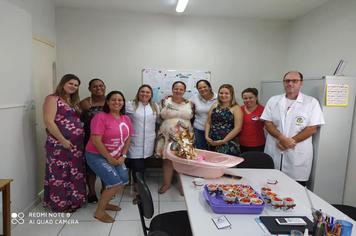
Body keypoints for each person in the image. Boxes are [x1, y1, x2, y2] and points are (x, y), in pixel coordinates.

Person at [261, 71, 325, 186]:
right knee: (270, 187)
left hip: (297, 154)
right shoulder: (274, 100)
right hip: (275, 149)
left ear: (301, 83)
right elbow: (268, 123)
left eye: (294, 81)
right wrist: (282, 138)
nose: (290, 83)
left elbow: (312, 128)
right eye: (287, 81)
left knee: (295, 190)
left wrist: (289, 142)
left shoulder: (311, 102)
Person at [85, 91, 133, 223]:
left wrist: (123, 155)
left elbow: (128, 138)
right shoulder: (100, 117)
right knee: (114, 183)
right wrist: (109, 159)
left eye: (120, 100)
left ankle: (105, 203)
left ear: (123, 102)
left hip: (117, 156)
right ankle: (99, 212)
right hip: (96, 155)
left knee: (123, 180)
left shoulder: (126, 118)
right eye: (113, 100)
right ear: (107, 102)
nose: (117, 102)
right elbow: (96, 141)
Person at [43, 74, 86, 212]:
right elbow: (49, 121)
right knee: (59, 174)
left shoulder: (72, 101)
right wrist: (62, 140)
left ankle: (74, 201)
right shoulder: (52, 99)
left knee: (74, 173)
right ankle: (61, 204)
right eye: (71, 83)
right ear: (62, 84)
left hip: (76, 146)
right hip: (59, 145)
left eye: (76, 85)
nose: (73, 86)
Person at [155, 81, 194, 194]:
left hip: (184, 135)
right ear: (172, 89)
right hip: (167, 135)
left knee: (183, 160)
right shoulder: (164, 101)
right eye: (176, 88)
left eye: (181, 89)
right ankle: (166, 184)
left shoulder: (190, 103)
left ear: (184, 91)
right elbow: (159, 117)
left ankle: (182, 185)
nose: (178, 91)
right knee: (167, 160)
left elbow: (192, 118)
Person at [79, 78, 106, 203]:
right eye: (95, 86)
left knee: (107, 166)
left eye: (101, 85)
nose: (98, 88)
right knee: (91, 168)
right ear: (89, 89)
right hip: (90, 139)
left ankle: (106, 190)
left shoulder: (110, 101)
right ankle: (92, 192)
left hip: (107, 139)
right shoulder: (84, 103)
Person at [126, 85, 159, 185]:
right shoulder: (130, 105)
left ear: (151, 94)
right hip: (135, 141)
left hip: (149, 141)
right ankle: (138, 187)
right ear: (138, 93)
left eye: (147, 92)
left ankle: (140, 185)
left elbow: (158, 121)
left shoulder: (155, 106)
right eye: (142, 91)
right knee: (137, 166)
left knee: (143, 165)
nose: (145, 94)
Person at [205, 84, 243, 156]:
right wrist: (206, 136)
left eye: (226, 93)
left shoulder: (236, 108)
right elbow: (208, 122)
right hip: (213, 142)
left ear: (231, 95)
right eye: (221, 93)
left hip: (228, 143)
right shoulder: (214, 105)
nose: (223, 95)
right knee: (213, 165)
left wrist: (223, 141)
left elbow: (238, 128)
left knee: (226, 166)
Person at [190, 79, 217, 150]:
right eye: (200, 88)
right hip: (199, 129)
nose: (202, 89)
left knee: (214, 153)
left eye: (204, 87)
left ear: (210, 87)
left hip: (214, 130)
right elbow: (185, 103)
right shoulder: (195, 97)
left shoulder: (218, 98)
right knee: (201, 152)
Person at [239, 88, 266, 153]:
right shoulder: (239, 109)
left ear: (256, 98)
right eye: (245, 98)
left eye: (251, 98)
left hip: (258, 144)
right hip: (241, 144)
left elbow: (270, 126)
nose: (248, 100)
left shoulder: (263, 110)